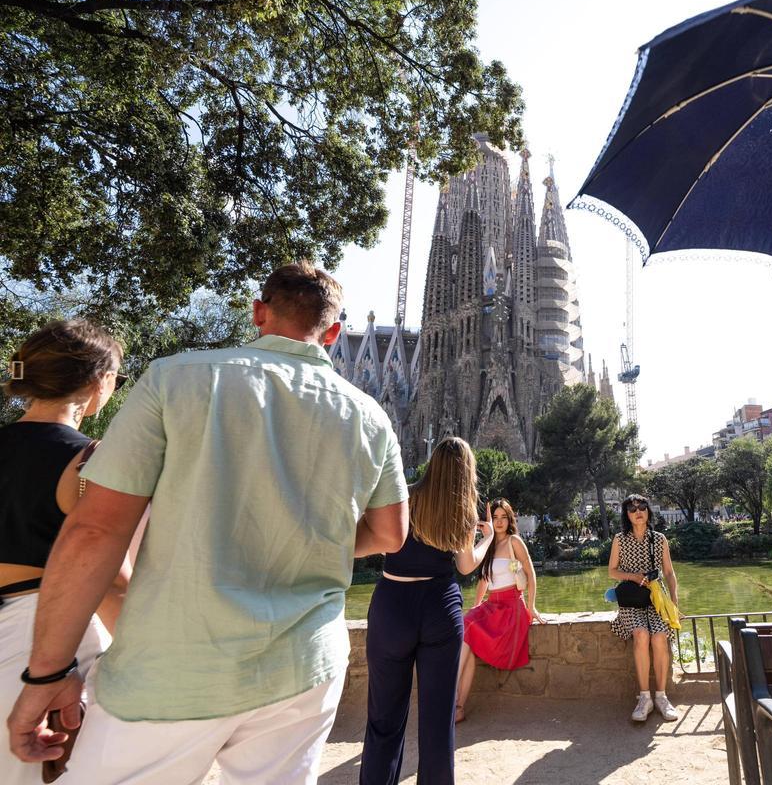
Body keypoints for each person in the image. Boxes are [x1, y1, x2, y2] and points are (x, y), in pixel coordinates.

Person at [6, 263, 409, 784]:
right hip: (303, 667)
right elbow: (388, 534)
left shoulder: (176, 379)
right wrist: (307, 540)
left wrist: (47, 673)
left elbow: (95, 532)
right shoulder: (368, 415)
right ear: (333, 332)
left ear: (259, 312)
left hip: (174, 667)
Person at [1, 320, 130, 784]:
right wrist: (140, 657)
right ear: (100, 383)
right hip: (49, 644)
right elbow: (111, 577)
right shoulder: (92, 463)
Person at [360, 436, 495, 785]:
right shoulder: (461, 509)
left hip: (393, 603)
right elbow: (466, 566)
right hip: (440, 607)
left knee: (384, 719)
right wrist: (488, 539)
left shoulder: (403, 495)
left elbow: (373, 536)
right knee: (438, 722)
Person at [455, 497, 543, 722]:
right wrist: (476, 605)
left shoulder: (514, 542)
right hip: (493, 604)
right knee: (468, 634)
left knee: (468, 631)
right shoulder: (488, 544)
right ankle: (458, 707)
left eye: (504, 517)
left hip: (511, 607)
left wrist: (531, 606)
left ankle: (449, 700)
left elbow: (529, 575)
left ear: (510, 519)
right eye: (495, 518)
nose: (500, 521)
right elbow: (484, 580)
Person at [607, 494, 680, 722]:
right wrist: (634, 577)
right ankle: (644, 698)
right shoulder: (620, 539)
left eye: (642, 507)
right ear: (627, 515)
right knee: (641, 635)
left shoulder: (659, 539)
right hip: (632, 598)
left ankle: (661, 696)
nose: (637, 511)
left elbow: (668, 572)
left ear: (648, 511)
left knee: (659, 637)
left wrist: (674, 604)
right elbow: (612, 571)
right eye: (632, 508)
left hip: (656, 598)